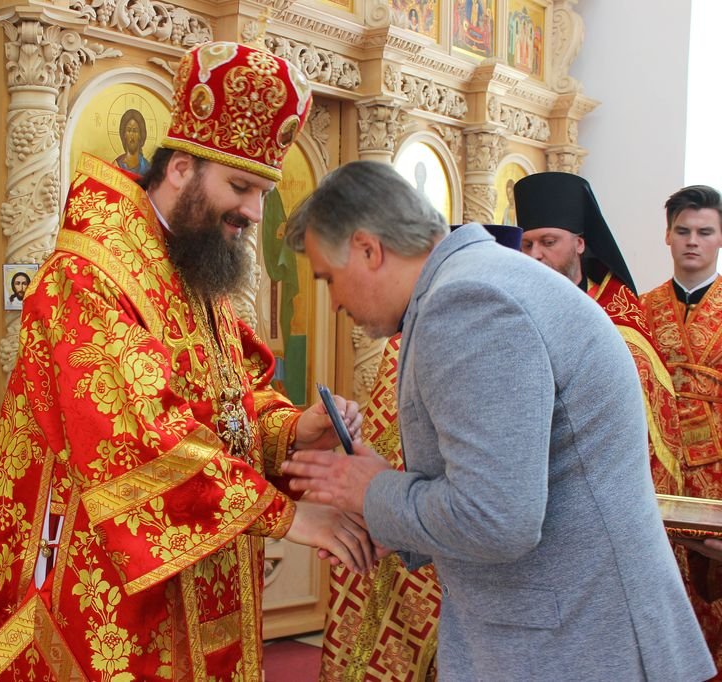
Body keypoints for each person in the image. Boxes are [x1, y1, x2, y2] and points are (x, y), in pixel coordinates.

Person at [0, 41, 373, 680]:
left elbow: (227, 402)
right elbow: (137, 438)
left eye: (263, 192)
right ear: (180, 169)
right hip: (106, 581)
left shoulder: (193, 265)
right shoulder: (89, 276)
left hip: (205, 566)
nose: (254, 213)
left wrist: (289, 429)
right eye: (241, 187)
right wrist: (288, 516)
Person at [279, 160, 714, 680]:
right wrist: (388, 516)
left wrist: (374, 493)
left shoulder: (468, 302)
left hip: (575, 647)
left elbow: (497, 520)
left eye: (329, 278)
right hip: (568, 635)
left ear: (369, 249)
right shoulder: (480, 279)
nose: (334, 302)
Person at [320, 224, 523, 680]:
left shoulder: (498, 335)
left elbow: (498, 502)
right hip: (421, 539)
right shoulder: (410, 343)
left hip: (487, 566)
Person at [514, 171, 685, 498]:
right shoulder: (511, 312)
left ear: (579, 243)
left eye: (548, 242)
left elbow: (648, 427)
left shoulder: (619, 320)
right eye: (526, 244)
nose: (535, 254)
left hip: (604, 485)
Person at [641, 184, 722, 673]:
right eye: (683, 230)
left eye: (705, 232)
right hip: (657, 477)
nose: (693, 241)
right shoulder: (638, 310)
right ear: (667, 236)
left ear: (720, 238)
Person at [113, 108, 151, 175]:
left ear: (140, 135)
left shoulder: (146, 167)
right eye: (129, 130)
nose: (132, 135)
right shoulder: (117, 165)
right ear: (124, 134)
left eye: (135, 131)